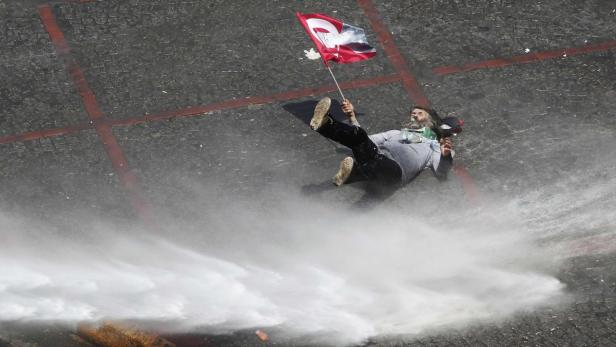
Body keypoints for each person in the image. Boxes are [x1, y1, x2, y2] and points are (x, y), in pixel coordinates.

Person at [309, 97, 461, 187]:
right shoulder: (397, 133)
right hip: (375, 154)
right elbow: (365, 140)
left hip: (395, 171)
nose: (414, 117)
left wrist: (446, 155)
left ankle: (353, 173)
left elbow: (441, 172)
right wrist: (351, 116)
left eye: (419, 114)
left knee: (379, 164)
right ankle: (324, 124)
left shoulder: (434, 146)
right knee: (360, 136)